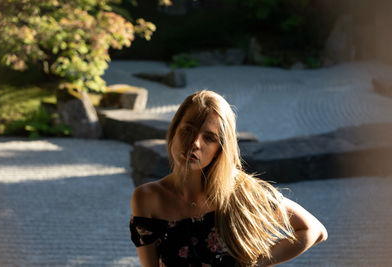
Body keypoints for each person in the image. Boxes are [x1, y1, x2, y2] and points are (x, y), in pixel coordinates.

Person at [130, 90, 327, 266]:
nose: (195, 143)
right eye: (188, 129)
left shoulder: (241, 193)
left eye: (209, 138)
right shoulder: (147, 198)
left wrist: (255, 264)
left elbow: (314, 230)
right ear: (173, 131)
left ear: (220, 149)